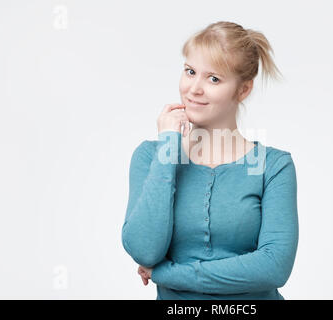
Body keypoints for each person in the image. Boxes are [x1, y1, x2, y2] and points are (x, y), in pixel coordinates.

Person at [122, 21, 299, 300]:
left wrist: (164, 274)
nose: (194, 89)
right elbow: (144, 250)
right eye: (190, 72)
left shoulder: (273, 167)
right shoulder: (150, 157)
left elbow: (274, 267)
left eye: (213, 79)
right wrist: (169, 146)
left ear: (243, 90)